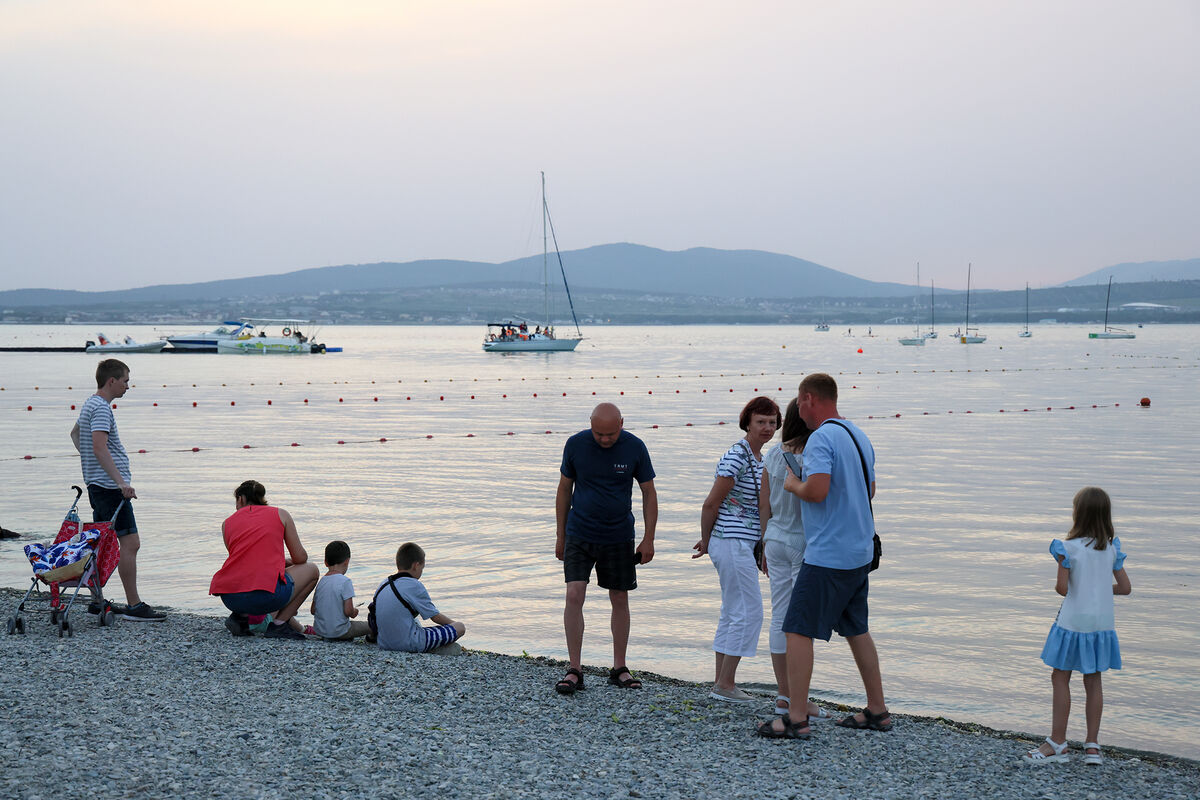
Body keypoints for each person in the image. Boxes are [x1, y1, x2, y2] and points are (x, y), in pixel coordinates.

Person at [757, 373, 888, 739]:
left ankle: (796, 717)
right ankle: (877, 708)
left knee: (797, 628)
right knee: (856, 628)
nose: (798, 408)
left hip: (828, 553)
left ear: (809, 399)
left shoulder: (821, 439)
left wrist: (792, 483)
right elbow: (870, 489)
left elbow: (815, 491)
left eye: (799, 402)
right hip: (859, 550)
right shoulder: (858, 435)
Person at [1022, 487, 1131, 766]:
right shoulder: (1111, 548)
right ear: (1105, 515)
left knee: (1061, 678)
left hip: (1073, 622)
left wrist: (1068, 573)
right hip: (1102, 625)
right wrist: (1099, 590)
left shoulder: (1067, 548)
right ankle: (1092, 747)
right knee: (1093, 681)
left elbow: (1061, 589)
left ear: (1077, 513)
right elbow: (1126, 588)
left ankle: (1058, 742)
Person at [554, 402, 657, 694]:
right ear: (590, 424)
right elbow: (564, 489)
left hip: (619, 534)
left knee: (620, 598)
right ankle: (575, 668)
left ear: (622, 423)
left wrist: (649, 538)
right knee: (574, 594)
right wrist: (560, 535)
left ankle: (619, 667)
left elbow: (648, 491)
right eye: (599, 433)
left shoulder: (635, 447)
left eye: (610, 434)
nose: (605, 439)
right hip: (579, 532)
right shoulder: (575, 444)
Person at [694, 396, 780, 702]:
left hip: (739, 541)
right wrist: (706, 540)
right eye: (761, 422)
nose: (767, 428)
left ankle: (721, 682)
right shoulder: (738, 456)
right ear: (747, 422)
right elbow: (710, 503)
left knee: (733, 610)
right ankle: (726, 684)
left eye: (772, 422)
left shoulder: (759, 458)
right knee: (749, 611)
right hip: (731, 541)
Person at [69, 359, 165, 621]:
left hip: (99, 485)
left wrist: (90, 461)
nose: (127, 386)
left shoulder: (90, 404)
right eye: (125, 381)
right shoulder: (100, 408)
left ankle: (96, 600)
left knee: (102, 544)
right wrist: (120, 481)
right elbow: (99, 446)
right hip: (110, 489)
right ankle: (134, 605)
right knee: (130, 543)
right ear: (111, 381)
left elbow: (75, 435)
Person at [759, 398, 829, 722]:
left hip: (774, 538)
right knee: (800, 626)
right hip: (804, 542)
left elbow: (764, 505)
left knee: (779, 618)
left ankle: (783, 697)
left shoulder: (773, 454)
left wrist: (760, 544)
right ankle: (801, 701)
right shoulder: (814, 452)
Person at [210, 480, 320, 640]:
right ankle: (279, 625)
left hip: (231, 598)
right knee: (312, 570)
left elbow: (244, 560)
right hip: (265, 597)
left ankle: (240, 618)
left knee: (250, 575)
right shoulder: (281, 514)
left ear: (241, 499)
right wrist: (287, 562)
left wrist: (280, 562)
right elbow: (301, 558)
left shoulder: (226, 523)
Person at [373, 542, 465, 653]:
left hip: (384, 643)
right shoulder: (414, 585)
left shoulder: (384, 584)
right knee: (460, 627)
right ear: (416, 566)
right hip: (407, 643)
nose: (421, 572)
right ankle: (434, 648)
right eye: (422, 568)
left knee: (413, 619)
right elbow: (435, 617)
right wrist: (453, 625)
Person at [310, 540, 371, 641]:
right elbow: (348, 611)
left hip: (320, 631)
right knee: (370, 625)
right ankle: (372, 637)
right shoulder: (345, 581)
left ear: (325, 562)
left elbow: (313, 610)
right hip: (340, 632)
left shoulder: (321, 582)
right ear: (347, 562)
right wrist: (355, 612)